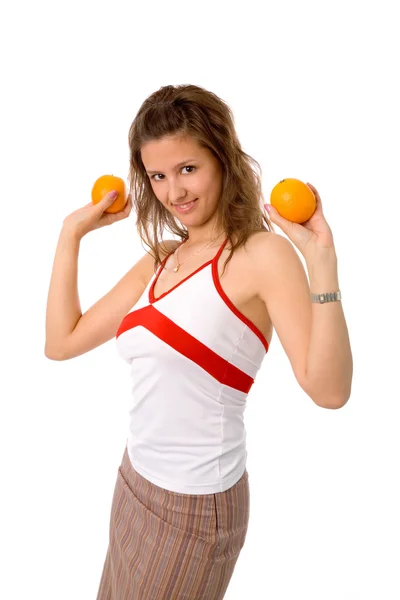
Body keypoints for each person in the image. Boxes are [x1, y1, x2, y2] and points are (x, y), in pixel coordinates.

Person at [44, 83, 353, 599]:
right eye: (158, 176)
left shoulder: (261, 255)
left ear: (224, 159)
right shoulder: (161, 257)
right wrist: (69, 233)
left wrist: (322, 266)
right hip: (134, 481)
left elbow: (329, 391)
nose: (173, 192)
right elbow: (63, 341)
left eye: (187, 169)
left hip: (196, 506)